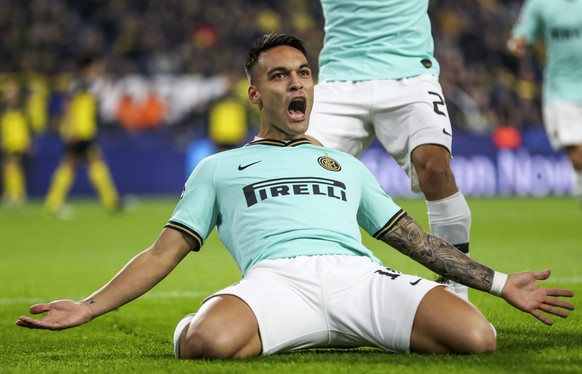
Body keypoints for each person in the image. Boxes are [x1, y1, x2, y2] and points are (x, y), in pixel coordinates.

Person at [17, 33, 574, 359]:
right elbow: (163, 252)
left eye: (303, 73)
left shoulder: (346, 166)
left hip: (358, 278)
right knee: (206, 343)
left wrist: (500, 285)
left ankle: (334, 327)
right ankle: (211, 321)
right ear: (257, 92)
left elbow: (415, 241)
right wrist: (88, 306)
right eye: (280, 76)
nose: (296, 83)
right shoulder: (219, 167)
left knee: (477, 338)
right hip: (275, 281)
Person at [305, 0, 472, 298]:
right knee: (300, 168)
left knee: (434, 165)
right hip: (340, 79)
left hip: (409, 74)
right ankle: (300, 284)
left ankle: (456, 289)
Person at [507, 0, 582, 207]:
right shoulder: (540, 4)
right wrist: (518, 43)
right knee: (578, 155)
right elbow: (520, 35)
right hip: (562, 90)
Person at [44, 57, 121, 218]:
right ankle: (111, 201)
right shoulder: (78, 84)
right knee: (80, 164)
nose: (99, 67)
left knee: (82, 164)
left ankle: (54, 202)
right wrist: (70, 130)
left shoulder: (89, 84)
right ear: (89, 66)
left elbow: (92, 103)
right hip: (79, 132)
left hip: (86, 131)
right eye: (96, 65)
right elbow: (69, 106)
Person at [1, 79, 32, 207]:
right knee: (10, 167)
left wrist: (27, 140)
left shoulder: (21, 107)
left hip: (18, 141)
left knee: (13, 167)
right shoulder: (3, 107)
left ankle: (16, 195)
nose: (10, 93)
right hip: (8, 141)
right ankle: (15, 194)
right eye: (8, 90)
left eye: (12, 90)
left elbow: (26, 125)